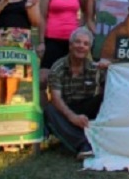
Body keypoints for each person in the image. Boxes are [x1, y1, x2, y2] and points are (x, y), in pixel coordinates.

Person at [43, 27, 106, 160]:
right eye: (77, 42)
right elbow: (56, 98)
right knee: (49, 109)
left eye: (85, 44)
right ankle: (83, 145)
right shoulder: (58, 67)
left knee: (104, 98)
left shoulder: (95, 68)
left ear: (89, 48)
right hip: (65, 108)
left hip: (86, 106)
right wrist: (72, 117)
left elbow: (113, 88)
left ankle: (108, 139)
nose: (81, 46)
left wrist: (111, 68)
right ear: (70, 45)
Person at [39, 0, 85, 92]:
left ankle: (65, 111)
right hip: (52, 39)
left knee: (69, 78)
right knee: (44, 79)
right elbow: (42, 16)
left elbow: (86, 12)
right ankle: (43, 111)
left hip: (72, 41)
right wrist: (41, 42)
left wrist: (80, 29)